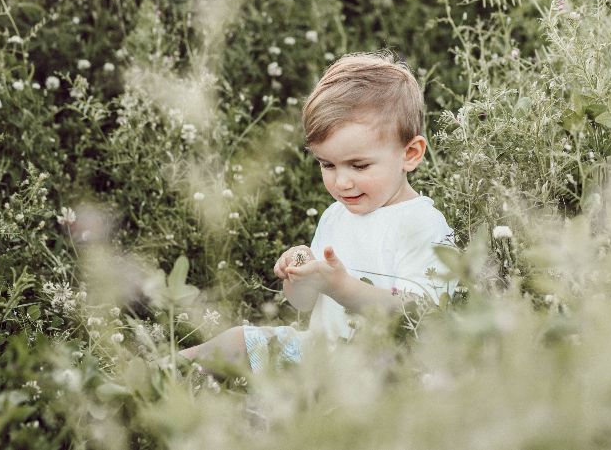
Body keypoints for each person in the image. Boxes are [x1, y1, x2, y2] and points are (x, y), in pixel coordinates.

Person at [181, 51, 456, 373]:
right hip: (321, 352)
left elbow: (422, 314)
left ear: (411, 154)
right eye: (327, 164)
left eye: (359, 165)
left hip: (387, 368)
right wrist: (300, 278)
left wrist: (341, 287)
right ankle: (144, 380)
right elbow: (304, 305)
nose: (341, 182)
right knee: (237, 341)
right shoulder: (336, 216)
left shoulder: (421, 224)